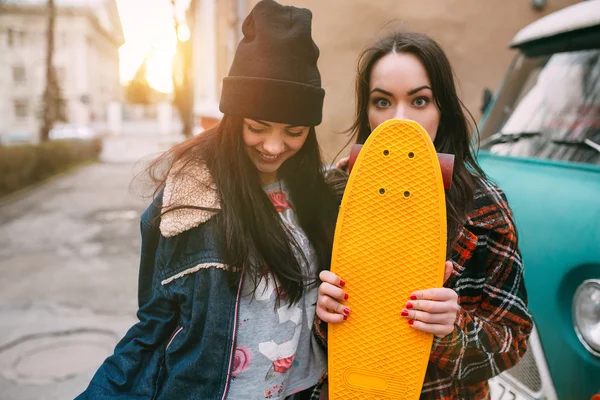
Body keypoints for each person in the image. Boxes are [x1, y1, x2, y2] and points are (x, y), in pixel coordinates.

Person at [77, 1, 337, 399]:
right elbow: (153, 328)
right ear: (233, 119)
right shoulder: (188, 203)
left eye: (294, 131)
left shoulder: (320, 196)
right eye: (257, 126)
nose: (273, 145)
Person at [317, 31, 533, 399]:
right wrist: (321, 315)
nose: (400, 120)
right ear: (366, 111)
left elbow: (512, 342)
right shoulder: (334, 195)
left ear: (442, 109)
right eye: (382, 102)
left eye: (419, 100)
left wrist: (452, 329)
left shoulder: (485, 208)